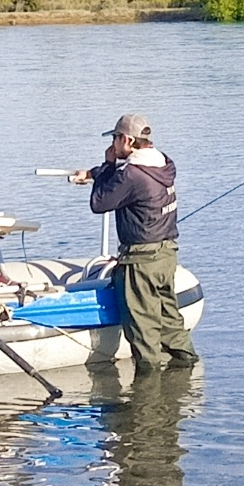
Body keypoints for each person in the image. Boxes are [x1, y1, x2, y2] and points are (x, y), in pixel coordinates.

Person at [71, 112, 198, 369]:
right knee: (169, 319)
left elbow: (100, 202)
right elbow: (124, 178)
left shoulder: (130, 175)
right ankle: (186, 370)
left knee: (142, 333)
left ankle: (146, 399)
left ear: (128, 140)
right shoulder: (165, 163)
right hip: (166, 256)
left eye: (116, 138)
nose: (113, 144)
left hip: (140, 262)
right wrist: (96, 173)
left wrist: (105, 166)